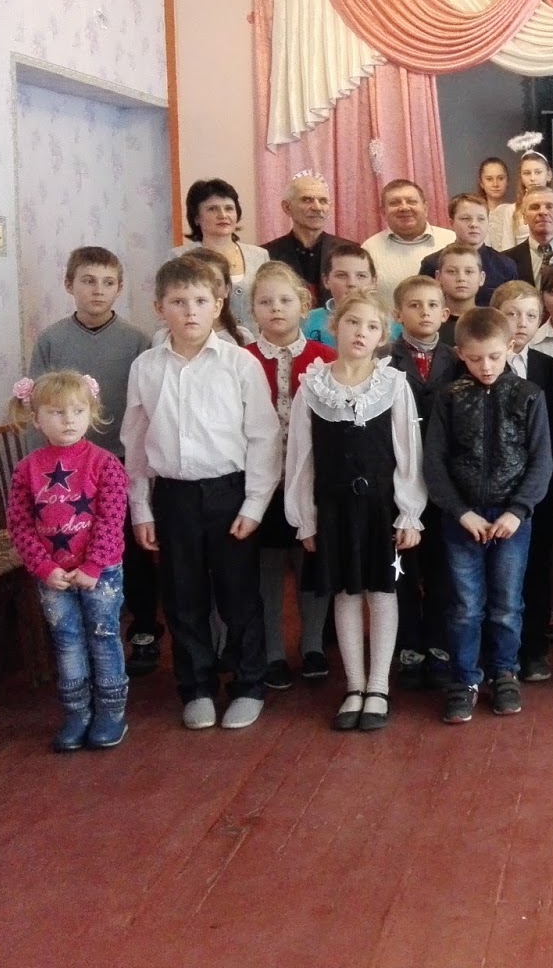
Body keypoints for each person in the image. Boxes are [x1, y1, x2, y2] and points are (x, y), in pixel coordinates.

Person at [121, 257, 280, 731]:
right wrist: (140, 508)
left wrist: (255, 504)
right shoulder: (145, 368)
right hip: (174, 498)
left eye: (200, 301)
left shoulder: (239, 363)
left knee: (239, 595)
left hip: (230, 495)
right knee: (183, 596)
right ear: (159, 308)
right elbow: (135, 442)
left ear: (218, 305)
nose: (189, 311)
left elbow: (263, 437)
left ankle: (249, 685)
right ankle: (196, 687)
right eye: (178, 302)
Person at [284, 291, 426, 731]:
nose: (361, 333)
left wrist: (409, 512)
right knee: (345, 594)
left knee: (382, 593)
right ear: (334, 327)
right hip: (333, 508)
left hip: (380, 508)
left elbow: (408, 451)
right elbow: (301, 457)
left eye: (371, 326)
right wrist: (305, 517)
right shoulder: (313, 386)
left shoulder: (393, 384)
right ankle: (355, 685)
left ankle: (379, 686)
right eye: (352, 323)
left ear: (383, 335)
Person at [28, 247, 156, 675]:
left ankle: (143, 628)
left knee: (128, 549)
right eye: (88, 280)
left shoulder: (137, 340)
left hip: (120, 463)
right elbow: (35, 405)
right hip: (64, 471)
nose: (98, 290)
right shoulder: (51, 340)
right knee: (72, 548)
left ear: (119, 288)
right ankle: (78, 639)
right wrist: (38, 470)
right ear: (69, 285)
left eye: (108, 282)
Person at [426, 307, 552, 723]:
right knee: (465, 605)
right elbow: (434, 463)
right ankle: (464, 679)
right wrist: (460, 512)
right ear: (460, 353)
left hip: (511, 520)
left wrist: (518, 511)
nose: (486, 366)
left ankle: (504, 673)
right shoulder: (448, 397)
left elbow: (541, 461)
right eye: (476, 358)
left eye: (495, 356)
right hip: (463, 520)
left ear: (510, 347)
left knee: (507, 604)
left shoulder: (529, 395)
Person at [5, 371, 130, 751]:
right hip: (53, 575)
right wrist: (44, 568)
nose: (69, 420)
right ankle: (76, 713)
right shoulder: (26, 469)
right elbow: (19, 525)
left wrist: (93, 566)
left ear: (91, 413)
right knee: (67, 640)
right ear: (36, 418)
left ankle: (111, 712)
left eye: (78, 411)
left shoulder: (105, 464)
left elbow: (112, 519)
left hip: (101, 572)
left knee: (103, 637)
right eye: (57, 412)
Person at [244, 262, 336, 691]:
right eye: (265, 302)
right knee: (266, 567)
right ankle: (274, 651)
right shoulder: (241, 361)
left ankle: (313, 645)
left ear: (304, 305)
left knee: (309, 562)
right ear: (253, 310)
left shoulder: (325, 359)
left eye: (285, 300)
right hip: (259, 483)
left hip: (312, 480)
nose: (276, 309)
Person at [386, 275, 460, 689]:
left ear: (445, 313)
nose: (424, 312)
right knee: (402, 568)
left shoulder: (457, 358)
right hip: (399, 478)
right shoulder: (384, 359)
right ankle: (408, 646)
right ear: (398, 313)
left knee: (442, 567)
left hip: (445, 479)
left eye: (432, 305)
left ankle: (438, 644)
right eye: (414, 305)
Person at [491, 280, 553, 683]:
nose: (521, 323)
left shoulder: (548, 365)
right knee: (492, 574)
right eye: (512, 314)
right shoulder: (481, 362)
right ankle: (494, 652)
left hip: (536, 487)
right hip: (489, 488)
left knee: (535, 568)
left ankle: (533, 648)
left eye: (531, 315)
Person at [173, 178, 270, 336]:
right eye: (212, 209)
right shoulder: (179, 257)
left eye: (229, 208)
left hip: (253, 344)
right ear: (196, 217)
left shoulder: (259, 255)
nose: (223, 215)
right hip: (201, 343)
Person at [361, 179, 454, 308]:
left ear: (425, 208)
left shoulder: (452, 241)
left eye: (411, 201)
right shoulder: (369, 249)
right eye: (395, 203)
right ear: (383, 212)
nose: (404, 207)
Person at [419, 193, 518, 306]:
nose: (474, 224)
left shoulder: (505, 265)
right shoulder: (432, 263)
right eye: (466, 219)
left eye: (481, 219)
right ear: (452, 223)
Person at [262, 172, 336, 305]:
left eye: (323, 201)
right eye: (307, 200)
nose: (317, 208)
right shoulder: (266, 255)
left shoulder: (348, 251)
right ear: (287, 207)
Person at [301, 241, 380, 348]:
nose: (352, 283)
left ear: (374, 282)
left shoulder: (391, 326)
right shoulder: (306, 322)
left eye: (361, 276)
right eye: (341, 275)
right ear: (326, 280)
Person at [175, 247, 251, 347]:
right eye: (197, 284)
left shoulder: (242, 337)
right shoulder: (164, 337)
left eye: (216, 283)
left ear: (227, 288)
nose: (208, 291)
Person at [507, 186, 553, 287]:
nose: (543, 212)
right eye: (535, 207)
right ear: (524, 217)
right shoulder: (506, 260)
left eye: (549, 206)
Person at [491, 148, 553, 252]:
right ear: (521, 177)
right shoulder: (511, 211)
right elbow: (507, 248)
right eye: (527, 173)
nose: (533, 178)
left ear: (548, 175)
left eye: (538, 172)